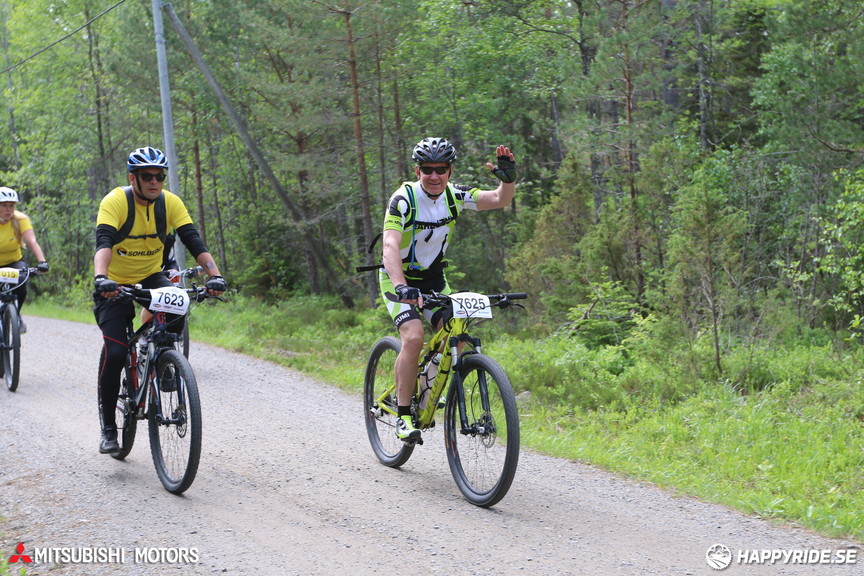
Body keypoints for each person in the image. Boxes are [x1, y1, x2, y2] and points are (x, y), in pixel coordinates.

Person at [379, 137, 517, 442]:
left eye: (440, 169)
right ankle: (403, 414)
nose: (434, 175)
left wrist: (508, 181)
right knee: (413, 337)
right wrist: (401, 286)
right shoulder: (403, 199)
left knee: (458, 332)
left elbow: (499, 199)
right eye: (427, 169)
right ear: (417, 171)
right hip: (398, 278)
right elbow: (390, 245)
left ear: (450, 171)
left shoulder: (456, 195)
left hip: (433, 279)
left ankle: (428, 386)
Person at [93, 146, 227, 455]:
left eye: (160, 176)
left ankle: (163, 356)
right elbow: (104, 242)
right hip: (114, 282)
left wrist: (215, 275)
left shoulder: (170, 203)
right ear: (133, 178)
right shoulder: (115, 201)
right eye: (147, 176)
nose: (154, 182)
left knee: (179, 303)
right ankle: (109, 428)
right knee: (116, 352)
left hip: (152, 275)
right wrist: (102, 279)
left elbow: (193, 240)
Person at [0, 186, 49, 333]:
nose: (8, 209)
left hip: (13, 261)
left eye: (11, 205)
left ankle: (16, 315)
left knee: (22, 279)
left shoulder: (20, 220)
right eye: (4, 205)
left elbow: (32, 242)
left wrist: (42, 262)